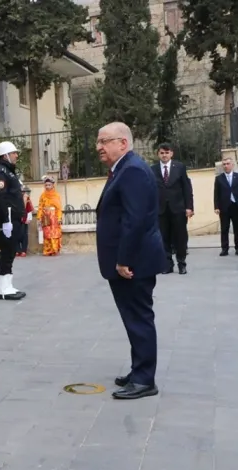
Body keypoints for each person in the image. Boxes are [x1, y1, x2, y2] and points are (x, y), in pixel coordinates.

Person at [95, 122, 165, 400]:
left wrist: (123, 259)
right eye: (98, 142)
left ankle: (145, 379)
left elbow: (135, 220)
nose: (99, 147)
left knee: (139, 318)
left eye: (104, 141)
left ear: (122, 143)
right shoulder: (124, 168)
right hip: (128, 260)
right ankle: (139, 371)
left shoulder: (132, 170)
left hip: (132, 263)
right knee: (133, 318)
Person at [0, 142, 26, 301]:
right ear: (5, 155)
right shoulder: (0, 173)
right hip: (8, 219)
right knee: (7, 252)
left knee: (11, 252)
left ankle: (8, 285)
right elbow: (0, 198)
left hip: (14, 218)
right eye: (13, 153)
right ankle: (3, 289)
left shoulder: (9, 172)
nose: (16, 155)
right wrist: (5, 221)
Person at [151, 143, 193, 274]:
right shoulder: (153, 169)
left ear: (171, 153)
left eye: (166, 153)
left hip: (178, 209)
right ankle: (168, 264)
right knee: (163, 238)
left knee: (180, 237)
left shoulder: (179, 167)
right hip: (160, 210)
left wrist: (189, 207)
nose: (164, 155)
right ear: (158, 154)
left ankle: (182, 263)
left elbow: (187, 188)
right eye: (162, 153)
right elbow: (150, 190)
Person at [214, 157, 238, 256]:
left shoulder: (237, 176)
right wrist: (216, 207)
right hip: (224, 207)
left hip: (236, 206)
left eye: (228, 164)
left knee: (237, 229)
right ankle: (224, 249)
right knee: (224, 229)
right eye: (224, 164)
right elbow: (216, 194)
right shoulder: (219, 178)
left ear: (232, 165)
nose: (226, 166)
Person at [37, 176, 63, 256]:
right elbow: (40, 207)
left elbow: (59, 208)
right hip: (46, 217)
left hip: (54, 217)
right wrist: (39, 217)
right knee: (47, 234)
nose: (47, 186)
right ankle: (47, 250)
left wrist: (59, 218)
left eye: (49, 185)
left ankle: (54, 250)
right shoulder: (42, 195)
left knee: (54, 234)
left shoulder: (56, 195)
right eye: (46, 185)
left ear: (52, 185)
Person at [18, 188, 34, 257]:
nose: (22, 192)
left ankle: (24, 250)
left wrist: (29, 218)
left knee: (24, 235)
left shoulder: (26, 198)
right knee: (16, 235)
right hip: (16, 219)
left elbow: (29, 208)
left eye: (22, 191)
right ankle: (17, 250)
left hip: (24, 219)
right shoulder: (13, 197)